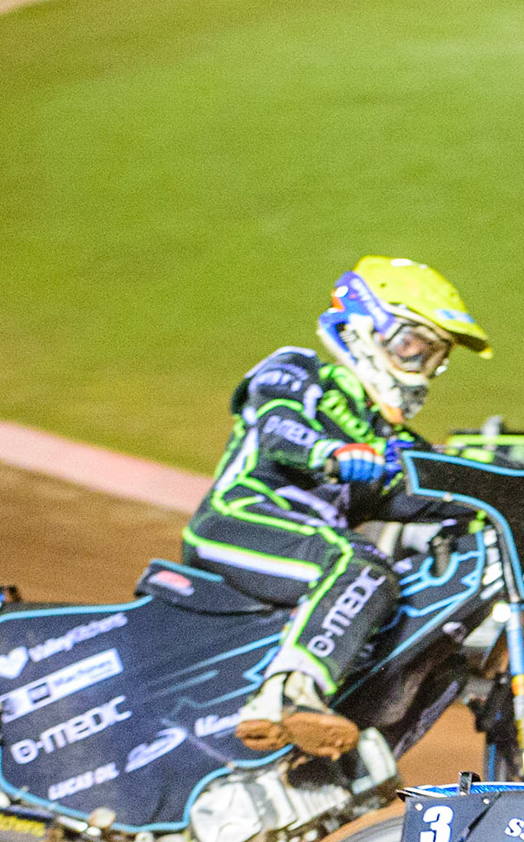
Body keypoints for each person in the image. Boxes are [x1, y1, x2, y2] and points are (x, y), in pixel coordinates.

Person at [181, 257, 491, 757]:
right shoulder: (297, 370)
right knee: (360, 563)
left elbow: (443, 487)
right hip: (237, 522)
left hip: (317, 554)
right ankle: (286, 696)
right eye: (413, 346)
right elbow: (278, 425)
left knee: (426, 632)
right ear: (365, 328)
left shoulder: (389, 438)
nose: (423, 369)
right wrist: (329, 453)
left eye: (435, 357)